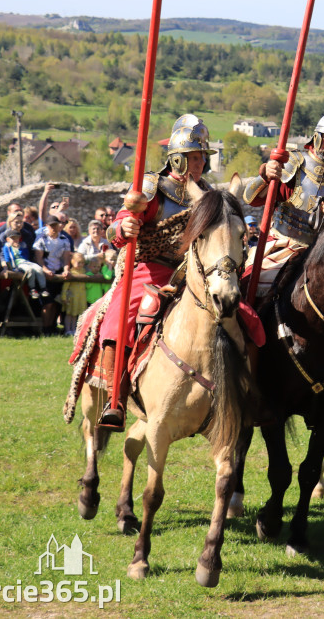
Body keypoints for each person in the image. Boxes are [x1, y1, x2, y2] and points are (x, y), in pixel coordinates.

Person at [97, 114, 216, 430]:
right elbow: (117, 226)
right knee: (119, 318)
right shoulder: (153, 187)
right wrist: (124, 227)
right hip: (152, 270)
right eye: (194, 157)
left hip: (197, 273)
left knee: (241, 314)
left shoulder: (208, 196)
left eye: (203, 157)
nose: (201, 163)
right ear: (177, 159)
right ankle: (115, 398)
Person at [240, 94, 324, 298]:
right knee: (249, 283)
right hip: (282, 244)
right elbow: (250, 198)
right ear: (317, 136)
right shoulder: (294, 162)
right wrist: (265, 175)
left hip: (323, 252)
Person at [34, 215, 73, 330]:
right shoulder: (41, 239)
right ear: (47, 226)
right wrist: (46, 270)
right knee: (48, 303)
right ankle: (45, 328)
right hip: (44, 274)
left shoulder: (64, 239)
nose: (54, 228)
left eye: (56, 225)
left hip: (58, 273)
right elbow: (38, 258)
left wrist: (66, 270)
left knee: (57, 302)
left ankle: (52, 327)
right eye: (52, 226)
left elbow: (66, 258)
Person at [2, 232, 48, 299]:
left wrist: (19, 248)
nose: (15, 240)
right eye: (13, 239)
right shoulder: (7, 247)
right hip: (17, 264)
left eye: (17, 238)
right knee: (30, 270)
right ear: (8, 239)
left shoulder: (22, 245)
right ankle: (32, 288)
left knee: (39, 269)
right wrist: (10, 268)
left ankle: (43, 288)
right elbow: (7, 258)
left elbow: (26, 256)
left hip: (26, 262)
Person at [60, 252, 89, 336]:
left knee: (76, 314)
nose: (81, 264)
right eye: (78, 262)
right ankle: (67, 329)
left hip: (81, 296)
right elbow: (66, 286)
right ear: (72, 261)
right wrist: (64, 296)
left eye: (82, 262)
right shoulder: (70, 273)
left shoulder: (84, 271)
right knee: (69, 314)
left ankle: (74, 329)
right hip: (72, 297)